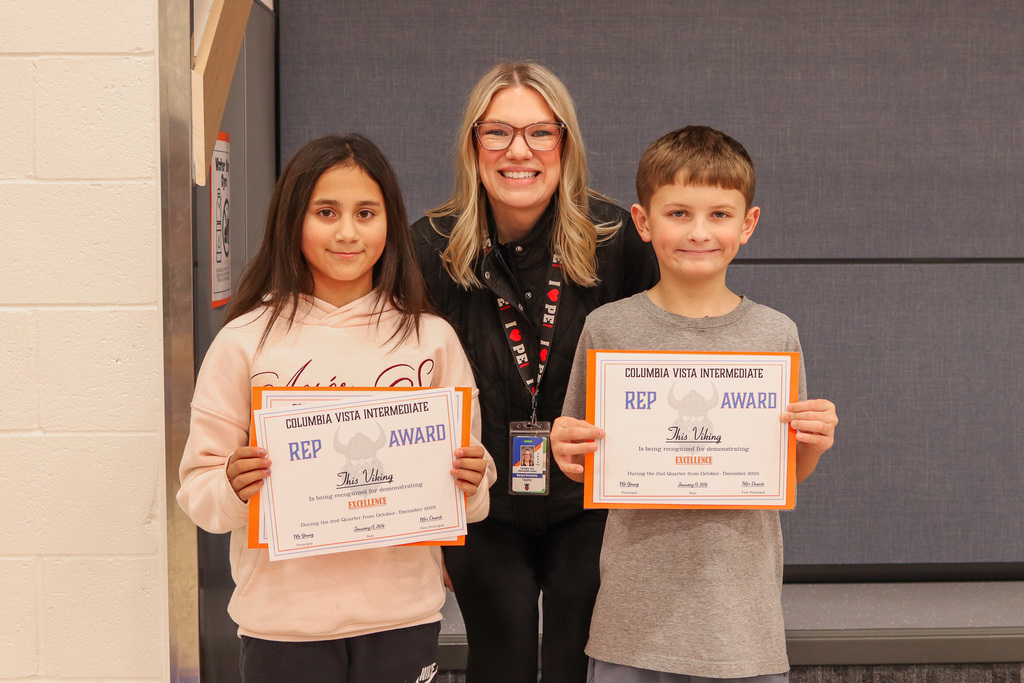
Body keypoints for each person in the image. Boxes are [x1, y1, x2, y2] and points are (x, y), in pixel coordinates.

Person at [176, 134, 495, 682]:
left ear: (389, 223)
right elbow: (198, 492)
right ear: (292, 221)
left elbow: (469, 491)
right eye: (327, 212)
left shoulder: (431, 339)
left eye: (366, 213)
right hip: (283, 624)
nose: (348, 232)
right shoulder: (245, 341)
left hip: (403, 616)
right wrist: (233, 485)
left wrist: (474, 479)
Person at [552, 125, 839, 681]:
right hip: (630, 627)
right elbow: (585, 464)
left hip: (742, 628)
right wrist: (566, 449)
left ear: (748, 224)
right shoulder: (608, 328)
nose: (699, 232)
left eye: (719, 215)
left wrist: (815, 444)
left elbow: (787, 476)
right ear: (642, 221)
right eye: (678, 213)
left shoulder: (774, 334)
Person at [413, 61, 659, 682]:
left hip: (590, 504)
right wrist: (423, 520)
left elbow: (663, 353)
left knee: (583, 664)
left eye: (539, 133)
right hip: (485, 506)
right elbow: (404, 385)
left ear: (564, 144)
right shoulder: (427, 249)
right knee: (501, 666)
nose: (518, 151)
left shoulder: (617, 240)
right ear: (473, 145)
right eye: (497, 132)